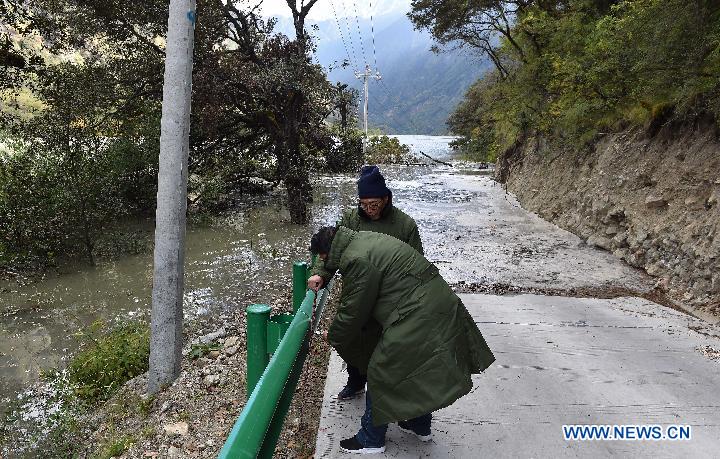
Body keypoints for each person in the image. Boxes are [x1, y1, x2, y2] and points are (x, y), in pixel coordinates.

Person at [309, 226, 495, 454]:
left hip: (417, 312)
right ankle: (417, 424)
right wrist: (322, 273)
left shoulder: (356, 259)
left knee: (382, 369)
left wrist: (334, 335)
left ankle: (371, 439)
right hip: (433, 302)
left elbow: (353, 311)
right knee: (414, 366)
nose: (323, 261)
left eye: (323, 257)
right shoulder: (363, 239)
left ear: (330, 250)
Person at [308, 165, 423, 401]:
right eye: (364, 204)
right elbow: (333, 247)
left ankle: (385, 394)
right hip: (358, 290)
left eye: (374, 204)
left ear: (386, 198)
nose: (369, 210)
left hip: (389, 298)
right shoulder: (352, 219)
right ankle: (356, 381)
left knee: (385, 347)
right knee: (355, 339)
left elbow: (416, 264)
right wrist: (320, 272)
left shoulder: (405, 225)